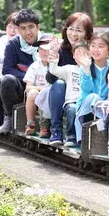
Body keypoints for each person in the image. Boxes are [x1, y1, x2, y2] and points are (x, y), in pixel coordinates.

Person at [0, 9, 50, 133]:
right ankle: (6, 116)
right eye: (23, 28)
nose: (28, 32)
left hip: (43, 84)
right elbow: (7, 69)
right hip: (21, 85)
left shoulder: (47, 43)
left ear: (38, 27)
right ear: (18, 29)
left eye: (31, 27)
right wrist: (30, 76)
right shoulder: (13, 45)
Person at [46, 12, 93, 145]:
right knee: (59, 83)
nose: (73, 33)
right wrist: (52, 58)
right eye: (70, 29)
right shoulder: (60, 50)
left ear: (87, 34)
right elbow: (50, 78)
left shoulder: (91, 52)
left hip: (82, 94)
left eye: (79, 30)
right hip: (60, 93)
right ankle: (56, 131)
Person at [74, 31, 109, 146]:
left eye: (101, 46)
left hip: (105, 108)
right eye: (93, 46)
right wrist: (87, 70)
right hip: (86, 108)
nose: (96, 49)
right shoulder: (85, 67)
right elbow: (86, 91)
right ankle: (84, 137)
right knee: (94, 97)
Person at [47, 41, 88, 146]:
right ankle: (71, 136)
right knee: (72, 109)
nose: (81, 56)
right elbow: (54, 71)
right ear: (73, 55)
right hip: (72, 101)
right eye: (78, 53)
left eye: (84, 53)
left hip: (85, 102)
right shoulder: (70, 68)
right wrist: (54, 61)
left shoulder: (91, 69)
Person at [23, 41, 51, 137]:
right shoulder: (34, 66)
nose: (44, 53)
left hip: (51, 95)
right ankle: (30, 124)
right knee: (32, 93)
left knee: (46, 93)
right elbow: (28, 87)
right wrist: (41, 88)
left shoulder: (56, 65)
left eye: (47, 50)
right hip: (37, 94)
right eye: (41, 50)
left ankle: (45, 127)